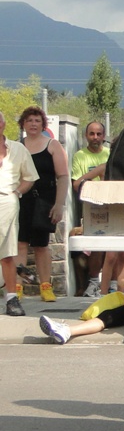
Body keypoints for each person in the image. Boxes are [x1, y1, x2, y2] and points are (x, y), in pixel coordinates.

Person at [15, 106, 69, 303]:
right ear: (23, 124)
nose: (33, 124)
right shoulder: (17, 146)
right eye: (29, 120)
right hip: (21, 200)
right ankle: (17, 287)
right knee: (20, 243)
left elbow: (63, 177)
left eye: (37, 120)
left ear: (43, 124)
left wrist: (59, 204)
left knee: (41, 244)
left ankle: (45, 287)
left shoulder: (53, 145)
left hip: (45, 200)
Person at [0, 111, 39, 317]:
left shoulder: (18, 149)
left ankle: (11, 299)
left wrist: (16, 192)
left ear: (3, 125)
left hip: (7, 199)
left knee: (7, 253)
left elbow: (30, 177)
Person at [70, 120, 109, 296]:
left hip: (110, 209)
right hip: (89, 209)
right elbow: (77, 185)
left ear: (104, 136)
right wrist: (98, 174)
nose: (95, 138)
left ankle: (109, 285)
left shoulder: (110, 154)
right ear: (86, 136)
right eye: (92, 134)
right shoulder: (80, 156)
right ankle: (88, 285)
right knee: (88, 244)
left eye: (99, 134)